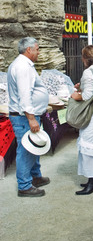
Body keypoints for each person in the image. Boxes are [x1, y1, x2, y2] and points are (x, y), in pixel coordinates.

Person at [7, 37, 50, 197]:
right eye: (37, 49)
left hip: (27, 116)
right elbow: (24, 95)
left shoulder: (23, 65)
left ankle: (35, 176)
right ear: (29, 50)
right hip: (24, 117)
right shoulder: (23, 67)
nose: (39, 52)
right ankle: (24, 186)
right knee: (26, 150)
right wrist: (31, 118)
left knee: (33, 148)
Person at [70, 45, 93, 195]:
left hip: (90, 113)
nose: (81, 59)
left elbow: (86, 97)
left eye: (82, 56)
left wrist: (74, 95)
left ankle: (92, 183)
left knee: (89, 145)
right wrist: (82, 87)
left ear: (86, 58)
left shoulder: (87, 72)